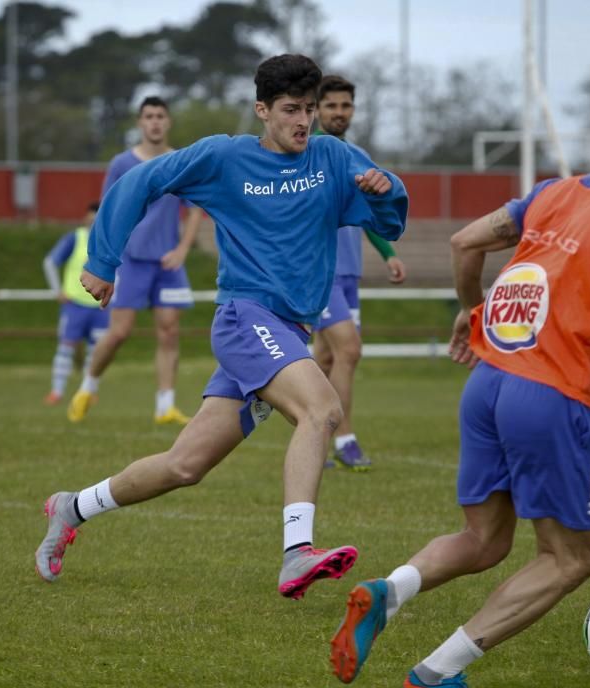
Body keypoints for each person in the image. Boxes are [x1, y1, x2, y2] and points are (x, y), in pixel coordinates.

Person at [327, 97, 590, 688]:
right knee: (571, 559)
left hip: (488, 384)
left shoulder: (551, 193)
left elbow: (466, 242)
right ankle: (435, 674)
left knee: (485, 539)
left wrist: (471, 308)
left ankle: (389, 593)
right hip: (551, 394)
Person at [34, 54, 409, 601]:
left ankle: (72, 506)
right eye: (289, 110)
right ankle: (296, 552)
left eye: (309, 109)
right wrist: (103, 259)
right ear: (262, 110)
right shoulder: (223, 157)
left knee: (185, 465)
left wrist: (385, 188)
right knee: (321, 409)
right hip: (244, 320)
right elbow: (141, 182)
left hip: (286, 330)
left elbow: (388, 219)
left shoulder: (331, 156)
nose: (303, 121)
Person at [66, 96, 204, 426]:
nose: (155, 121)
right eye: (149, 116)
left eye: (160, 116)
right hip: (131, 263)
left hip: (168, 265)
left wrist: (183, 248)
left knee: (170, 333)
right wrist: (106, 259)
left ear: (168, 122)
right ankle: (88, 385)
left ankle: (165, 406)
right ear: (140, 123)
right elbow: (108, 209)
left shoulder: (180, 161)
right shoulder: (121, 164)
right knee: (119, 333)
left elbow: (197, 206)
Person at [311, 74, 408, 470]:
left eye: (345, 105)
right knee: (350, 350)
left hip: (349, 274)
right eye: (330, 105)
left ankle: (312, 435)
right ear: (316, 109)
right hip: (319, 273)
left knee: (326, 359)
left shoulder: (358, 155)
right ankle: (344, 440)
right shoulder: (308, 154)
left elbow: (369, 212)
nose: (339, 112)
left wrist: (387, 254)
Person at [41, 202, 110, 405]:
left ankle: (88, 392)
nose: (93, 219)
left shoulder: (109, 241)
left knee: (96, 351)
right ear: (86, 217)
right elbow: (49, 262)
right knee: (66, 347)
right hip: (75, 304)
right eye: (91, 215)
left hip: (99, 306)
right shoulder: (76, 238)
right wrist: (57, 291)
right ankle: (57, 391)